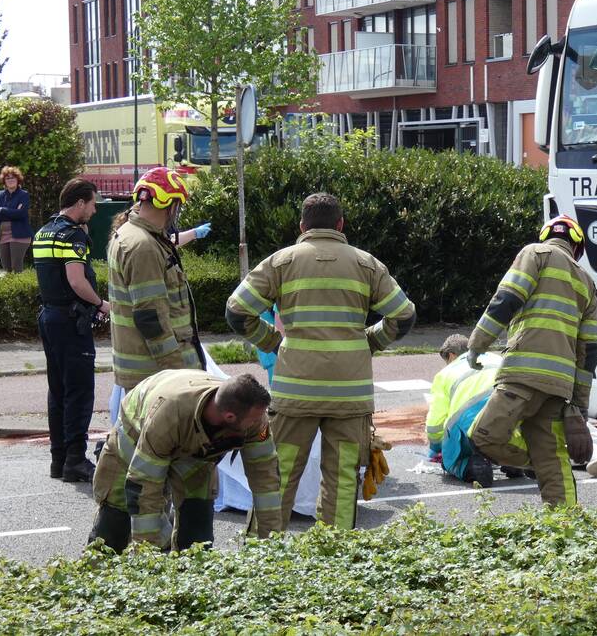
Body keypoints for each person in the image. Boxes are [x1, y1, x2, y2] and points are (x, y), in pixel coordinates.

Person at [225, 192, 416, 530]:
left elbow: (237, 311)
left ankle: (260, 556)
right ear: (340, 225)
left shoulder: (281, 262)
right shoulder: (367, 264)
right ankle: (334, 557)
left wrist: (275, 341)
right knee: (342, 479)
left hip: (295, 391)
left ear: (302, 226)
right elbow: (403, 316)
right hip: (350, 394)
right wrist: (369, 341)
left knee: (278, 475)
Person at [466, 215, 597, 507]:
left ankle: (536, 461)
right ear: (578, 248)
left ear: (546, 236)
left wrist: (477, 344)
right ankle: (565, 525)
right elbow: (589, 352)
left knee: (484, 435)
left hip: (523, 375)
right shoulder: (586, 282)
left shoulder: (534, 253)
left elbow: (506, 300)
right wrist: (579, 407)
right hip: (558, 389)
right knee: (552, 455)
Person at [90, 370, 282, 552]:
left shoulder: (254, 417)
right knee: (115, 520)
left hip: (195, 450)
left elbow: (266, 476)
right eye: (254, 420)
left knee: (197, 528)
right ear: (229, 417)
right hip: (138, 430)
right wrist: (146, 558)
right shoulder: (167, 416)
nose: (259, 423)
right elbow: (143, 486)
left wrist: (268, 546)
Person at [32, 179, 109, 482]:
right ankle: (76, 461)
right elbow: (77, 281)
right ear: (79, 203)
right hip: (70, 321)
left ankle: (59, 459)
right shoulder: (73, 236)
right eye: (92, 203)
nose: (94, 208)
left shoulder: (44, 232)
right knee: (79, 392)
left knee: (58, 391)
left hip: (49, 317)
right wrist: (102, 303)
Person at [107, 167, 205, 394]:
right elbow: (151, 318)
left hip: (148, 372)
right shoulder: (144, 247)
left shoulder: (132, 234)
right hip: (156, 374)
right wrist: (177, 373)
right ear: (169, 205)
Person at [425, 334, 517, 486]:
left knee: (450, 459)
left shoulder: (445, 374)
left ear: (451, 355)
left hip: (472, 426)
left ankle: (472, 466)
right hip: (508, 420)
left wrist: (437, 448)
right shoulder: (497, 359)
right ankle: (512, 458)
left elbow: (435, 424)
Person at [0, 166, 33, 273]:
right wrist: (14, 212)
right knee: (7, 269)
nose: (10, 180)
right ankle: (10, 289)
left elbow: (22, 214)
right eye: (8, 178)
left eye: (13, 178)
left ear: (18, 180)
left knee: (16, 268)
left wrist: (3, 210)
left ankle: (20, 290)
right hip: (2, 235)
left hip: (19, 235)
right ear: (4, 181)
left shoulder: (24, 195)